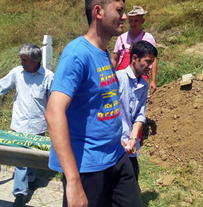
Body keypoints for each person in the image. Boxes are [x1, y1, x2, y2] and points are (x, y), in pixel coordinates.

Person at [45, 0, 143, 206]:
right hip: (88, 168)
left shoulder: (103, 53)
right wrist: (72, 181)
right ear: (98, 12)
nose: (124, 17)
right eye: (119, 11)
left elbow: (99, 106)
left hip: (116, 155)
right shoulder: (77, 54)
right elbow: (54, 113)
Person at [0, 43, 54, 207]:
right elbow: (0, 87)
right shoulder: (17, 73)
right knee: (20, 159)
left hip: (38, 125)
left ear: (36, 61)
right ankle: (20, 193)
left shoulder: (48, 77)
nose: (22, 63)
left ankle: (31, 180)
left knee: (33, 157)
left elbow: (55, 102)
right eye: (21, 59)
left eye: (25, 60)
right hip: (19, 125)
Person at [117, 40, 157, 181]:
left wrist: (133, 138)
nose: (151, 66)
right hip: (114, 144)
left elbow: (140, 115)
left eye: (152, 62)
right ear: (135, 58)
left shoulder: (144, 85)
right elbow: (106, 114)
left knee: (133, 176)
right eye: (147, 61)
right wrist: (119, 141)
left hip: (129, 144)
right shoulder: (118, 78)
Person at [111, 5, 158, 94]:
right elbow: (114, 59)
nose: (133, 24)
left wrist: (153, 81)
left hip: (140, 79)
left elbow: (153, 60)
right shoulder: (121, 38)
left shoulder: (148, 38)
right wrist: (109, 77)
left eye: (136, 21)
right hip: (122, 79)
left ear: (142, 21)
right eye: (131, 21)